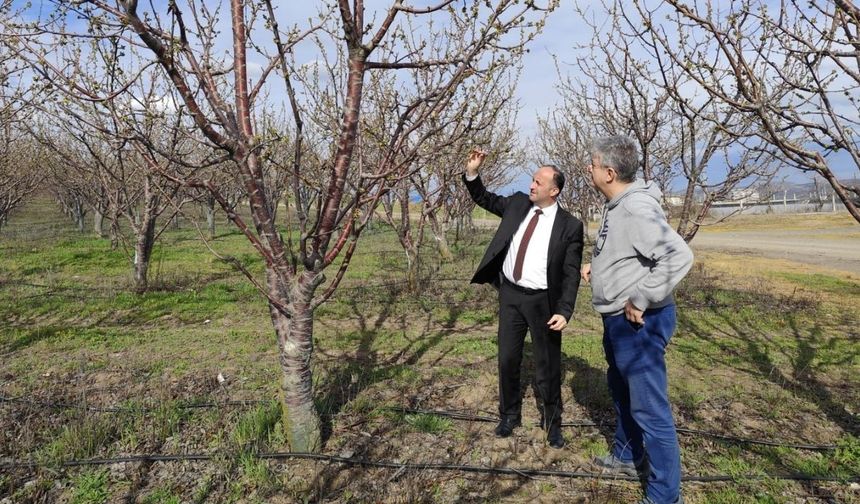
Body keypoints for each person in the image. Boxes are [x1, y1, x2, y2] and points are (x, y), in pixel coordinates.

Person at [581, 135, 693, 504]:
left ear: (609, 173)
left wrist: (641, 297)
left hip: (639, 324)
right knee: (623, 392)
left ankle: (664, 496)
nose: (589, 169)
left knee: (650, 409)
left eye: (593, 164)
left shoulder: (635, 208)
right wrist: (598, 269)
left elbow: (678, 256)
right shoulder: (617, 205)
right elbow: (627, 252)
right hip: (618, 321)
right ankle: (628, 456)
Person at [463, 149, 584, 449]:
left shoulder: (570, 226)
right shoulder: (518, 204)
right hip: (511, 295)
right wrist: (473, 173)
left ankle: (552, 424)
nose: (532, 185)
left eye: (538, 182)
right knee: (507, 359)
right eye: (532, 179)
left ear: (554, 191)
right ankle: (509, 415)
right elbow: (485, 198)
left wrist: (564, 310)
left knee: (547, 366)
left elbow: (570, 273)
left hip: (543, 302)